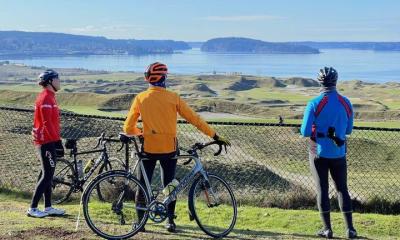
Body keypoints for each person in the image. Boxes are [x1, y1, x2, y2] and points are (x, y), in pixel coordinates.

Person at [121, 62, 230, 233]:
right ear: (164, 78)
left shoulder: (140, 98)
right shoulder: (174, 97)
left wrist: (142, 133)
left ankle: (140, 222)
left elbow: (128, 129)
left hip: (148, 148)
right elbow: (195, 119)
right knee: (169, 185)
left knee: (143, 184)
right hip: (169, 150)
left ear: (148, 78)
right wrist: (214, 135)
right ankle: (170, 221)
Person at [300, 67, 357, 239]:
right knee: (342, 190)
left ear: (320, 82)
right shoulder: (346, 103)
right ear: (335, 82)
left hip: (318, 153)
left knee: (322, 190)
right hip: (339, 153)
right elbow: (348, 130)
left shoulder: (314, 103)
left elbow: (304, 132)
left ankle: (327, 229)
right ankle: (350, 230)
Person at [27, 69, 65, 218]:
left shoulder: (50, 97)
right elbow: (47, 124)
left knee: (47, 173)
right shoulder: (45, 99)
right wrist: (57, 142)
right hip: (46, 141)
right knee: (47, 174)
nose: (59, 81)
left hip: (49, 140)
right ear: (50, 81)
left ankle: (48, 207)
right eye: (57, 78)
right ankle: (32, 208)